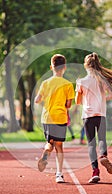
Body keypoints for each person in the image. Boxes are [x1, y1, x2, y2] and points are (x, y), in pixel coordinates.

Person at [75, 52, 112, 183]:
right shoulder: (101, 80)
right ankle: (103, 156)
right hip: (101, 114)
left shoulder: (81, 81)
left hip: (87, 115)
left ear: (85, 65)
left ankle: (95, 172)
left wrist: (86, 99)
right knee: (102, 139)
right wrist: (101, 99)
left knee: (90, 144)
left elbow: (77, 101)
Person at [35, 54, 75, 183]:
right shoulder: (68, 84)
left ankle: (46, 151)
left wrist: (45, 100)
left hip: (47, 117)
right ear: (64, 68)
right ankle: (59, 174)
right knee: (59, 146)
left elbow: (37, 100)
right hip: (60, 117)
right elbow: (68, 105)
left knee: (50, 142)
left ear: (51, 67)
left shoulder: (45, 83)